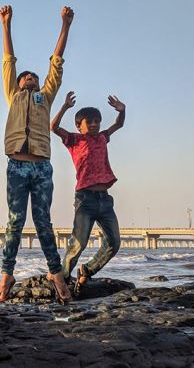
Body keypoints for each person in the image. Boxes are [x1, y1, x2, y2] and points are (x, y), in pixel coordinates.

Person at [0, 4, 74, 304]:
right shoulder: (13, 95)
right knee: (14, 222)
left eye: (33, 78)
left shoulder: (45, 97)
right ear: (17, 84)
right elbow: (8, 61)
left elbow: (56, 64)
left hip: (41, 168)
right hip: (16, 165)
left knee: (43, 222)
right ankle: (7, 273)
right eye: (24, 77)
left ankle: (55, 273)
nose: (29, 78)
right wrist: (6, 24)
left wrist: (65, 25)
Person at [52, 91, 126, 296]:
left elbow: (118, 125)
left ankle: (87, 270)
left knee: (114, 243)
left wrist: (122, 110)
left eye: (97, 121)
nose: (94, 125)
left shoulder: (103, 137)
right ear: (79, 125)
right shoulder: (74, 140)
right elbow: (54, 127)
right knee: (78, 243)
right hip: (85, 199)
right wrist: (65, 107)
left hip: (105, 201)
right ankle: (63, 279)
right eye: (89, 122)